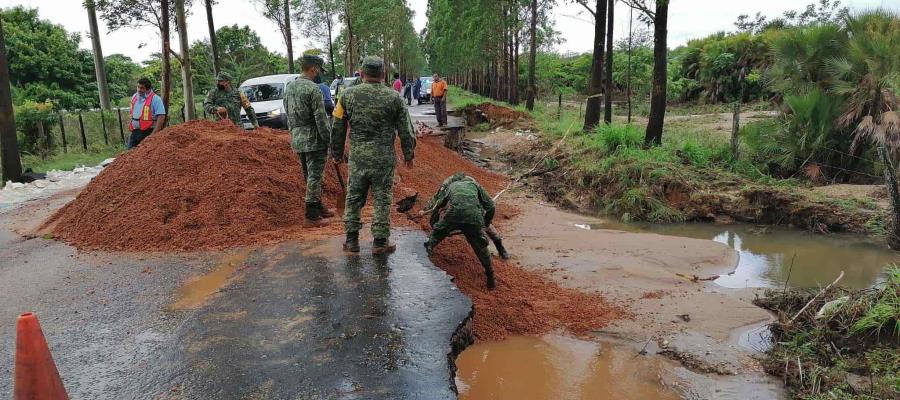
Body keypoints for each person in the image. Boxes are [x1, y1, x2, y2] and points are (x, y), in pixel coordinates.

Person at [331, 56, 416, 255]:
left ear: (361, 73)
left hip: (358, 157)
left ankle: (351, 241)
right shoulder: (394, 97)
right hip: (383, 158)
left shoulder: (346, 96)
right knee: (382, 198)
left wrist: (336, 152)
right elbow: (406, 129)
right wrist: (408, 154)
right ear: (383, 74)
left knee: (353, 197)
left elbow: (337, 126)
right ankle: (379, 242)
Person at [416, 173, 503, 289]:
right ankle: (490, 276)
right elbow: (491, 206)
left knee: (438, 232)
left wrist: (435, 224)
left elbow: (438, 205)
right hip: (474, 217)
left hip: (456, 215)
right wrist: (484, 222)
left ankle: (427, 251)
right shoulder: (471, 185)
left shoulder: (455, 185)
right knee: (481, 247)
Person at [284, 55, 335, 225]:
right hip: (314, 139)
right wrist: (329, 140)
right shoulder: (313, 89)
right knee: (315, 176)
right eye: (319, 69)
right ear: (313, 68)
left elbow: (288, 115)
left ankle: (319, 206)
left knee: (309, 175)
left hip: (298, 139)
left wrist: (294, 134)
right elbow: (321, 119)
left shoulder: (290, 87)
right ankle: (311, 215)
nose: (319, 73)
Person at [128, 77, 167, 149]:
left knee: (144, 155)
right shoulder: (134, 97)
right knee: (129, 153)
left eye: (142, 88)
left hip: (148, 132)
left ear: (148, 89)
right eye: (138, 87)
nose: (139, 90)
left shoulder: (155, 99)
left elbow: (161, 116)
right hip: (135, 132)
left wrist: (153, 134)